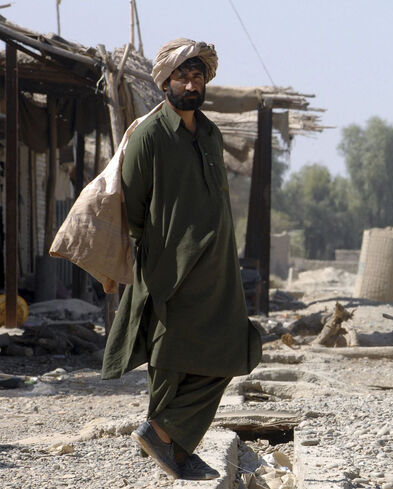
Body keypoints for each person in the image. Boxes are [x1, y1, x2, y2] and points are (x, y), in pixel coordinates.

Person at [101, 38, 262, 481]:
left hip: (219, 270)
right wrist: (164, 251)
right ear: (166, 82)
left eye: (197, 77)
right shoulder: (149, 136)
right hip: (172, 269)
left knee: (234, 348)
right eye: (182, 77)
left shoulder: (211, 133)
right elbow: (131, 210)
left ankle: (163, 433)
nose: (190, 85)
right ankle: (168, 444)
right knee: (170, 358)